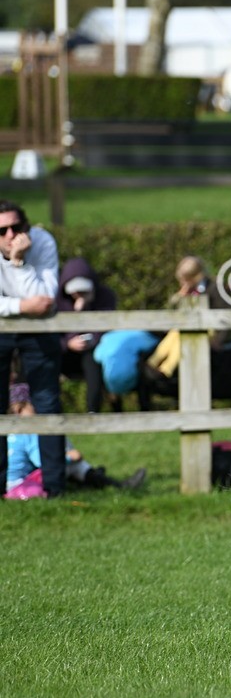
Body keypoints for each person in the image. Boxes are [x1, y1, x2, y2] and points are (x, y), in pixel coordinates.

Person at [0, 200, 67, 498]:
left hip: (39, 331)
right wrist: (20, 306)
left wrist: (19, 263)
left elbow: (45, 297)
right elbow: (32, 303)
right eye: (3, 230)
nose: (12, 235)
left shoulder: (42, 242)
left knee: (47, 402)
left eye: (18, 227)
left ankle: (55, 487)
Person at [5, 382, 146, 498]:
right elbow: (43, 461)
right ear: (19, 410)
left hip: (8, 483)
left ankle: (92, 477)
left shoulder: (11, 431)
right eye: (35, 407)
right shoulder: (28, 431)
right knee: (72, 465)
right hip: (18, 487)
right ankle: (108, 482)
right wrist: (69, 457)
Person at [56, 258, 118, 413]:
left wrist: (86, 307)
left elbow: (107, 328)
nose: (78, 294)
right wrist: (68, 343)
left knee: (92, 359)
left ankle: (93, 410)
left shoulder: (105, 297)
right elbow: (51, 337)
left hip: (92, 351)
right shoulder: (57, 301)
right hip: (63, 353)